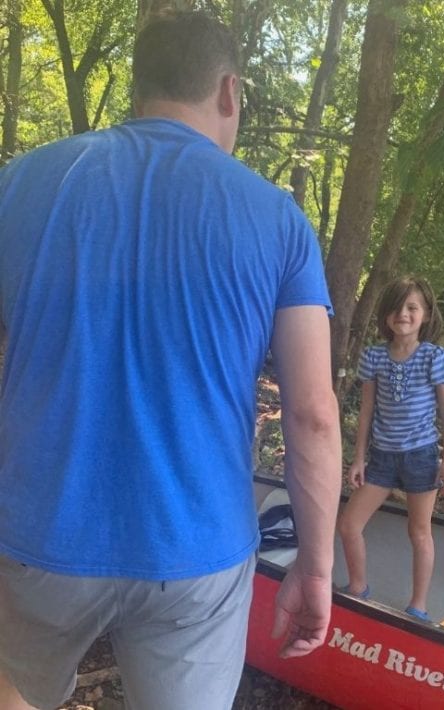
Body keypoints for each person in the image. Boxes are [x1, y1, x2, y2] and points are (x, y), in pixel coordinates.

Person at [0, 11, 341, 710]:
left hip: (36, 537)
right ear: (229, 93)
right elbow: (311, 416)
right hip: (197, 554)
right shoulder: (277, 220)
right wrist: (316, 563)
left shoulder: (19, 185)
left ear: (138, 90)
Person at [337, 276, 444, 622]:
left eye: (412, 308)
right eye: (396, 308)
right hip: (382, 458)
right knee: (348, 525)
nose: (402, 314)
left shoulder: (435, 357)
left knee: (419, 532)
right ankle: (358, 588)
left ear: (425, 314)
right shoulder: (374, 356)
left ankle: (418, 605)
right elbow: (367, 410)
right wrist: (359, 458)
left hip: (421, 456)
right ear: (385, 315)